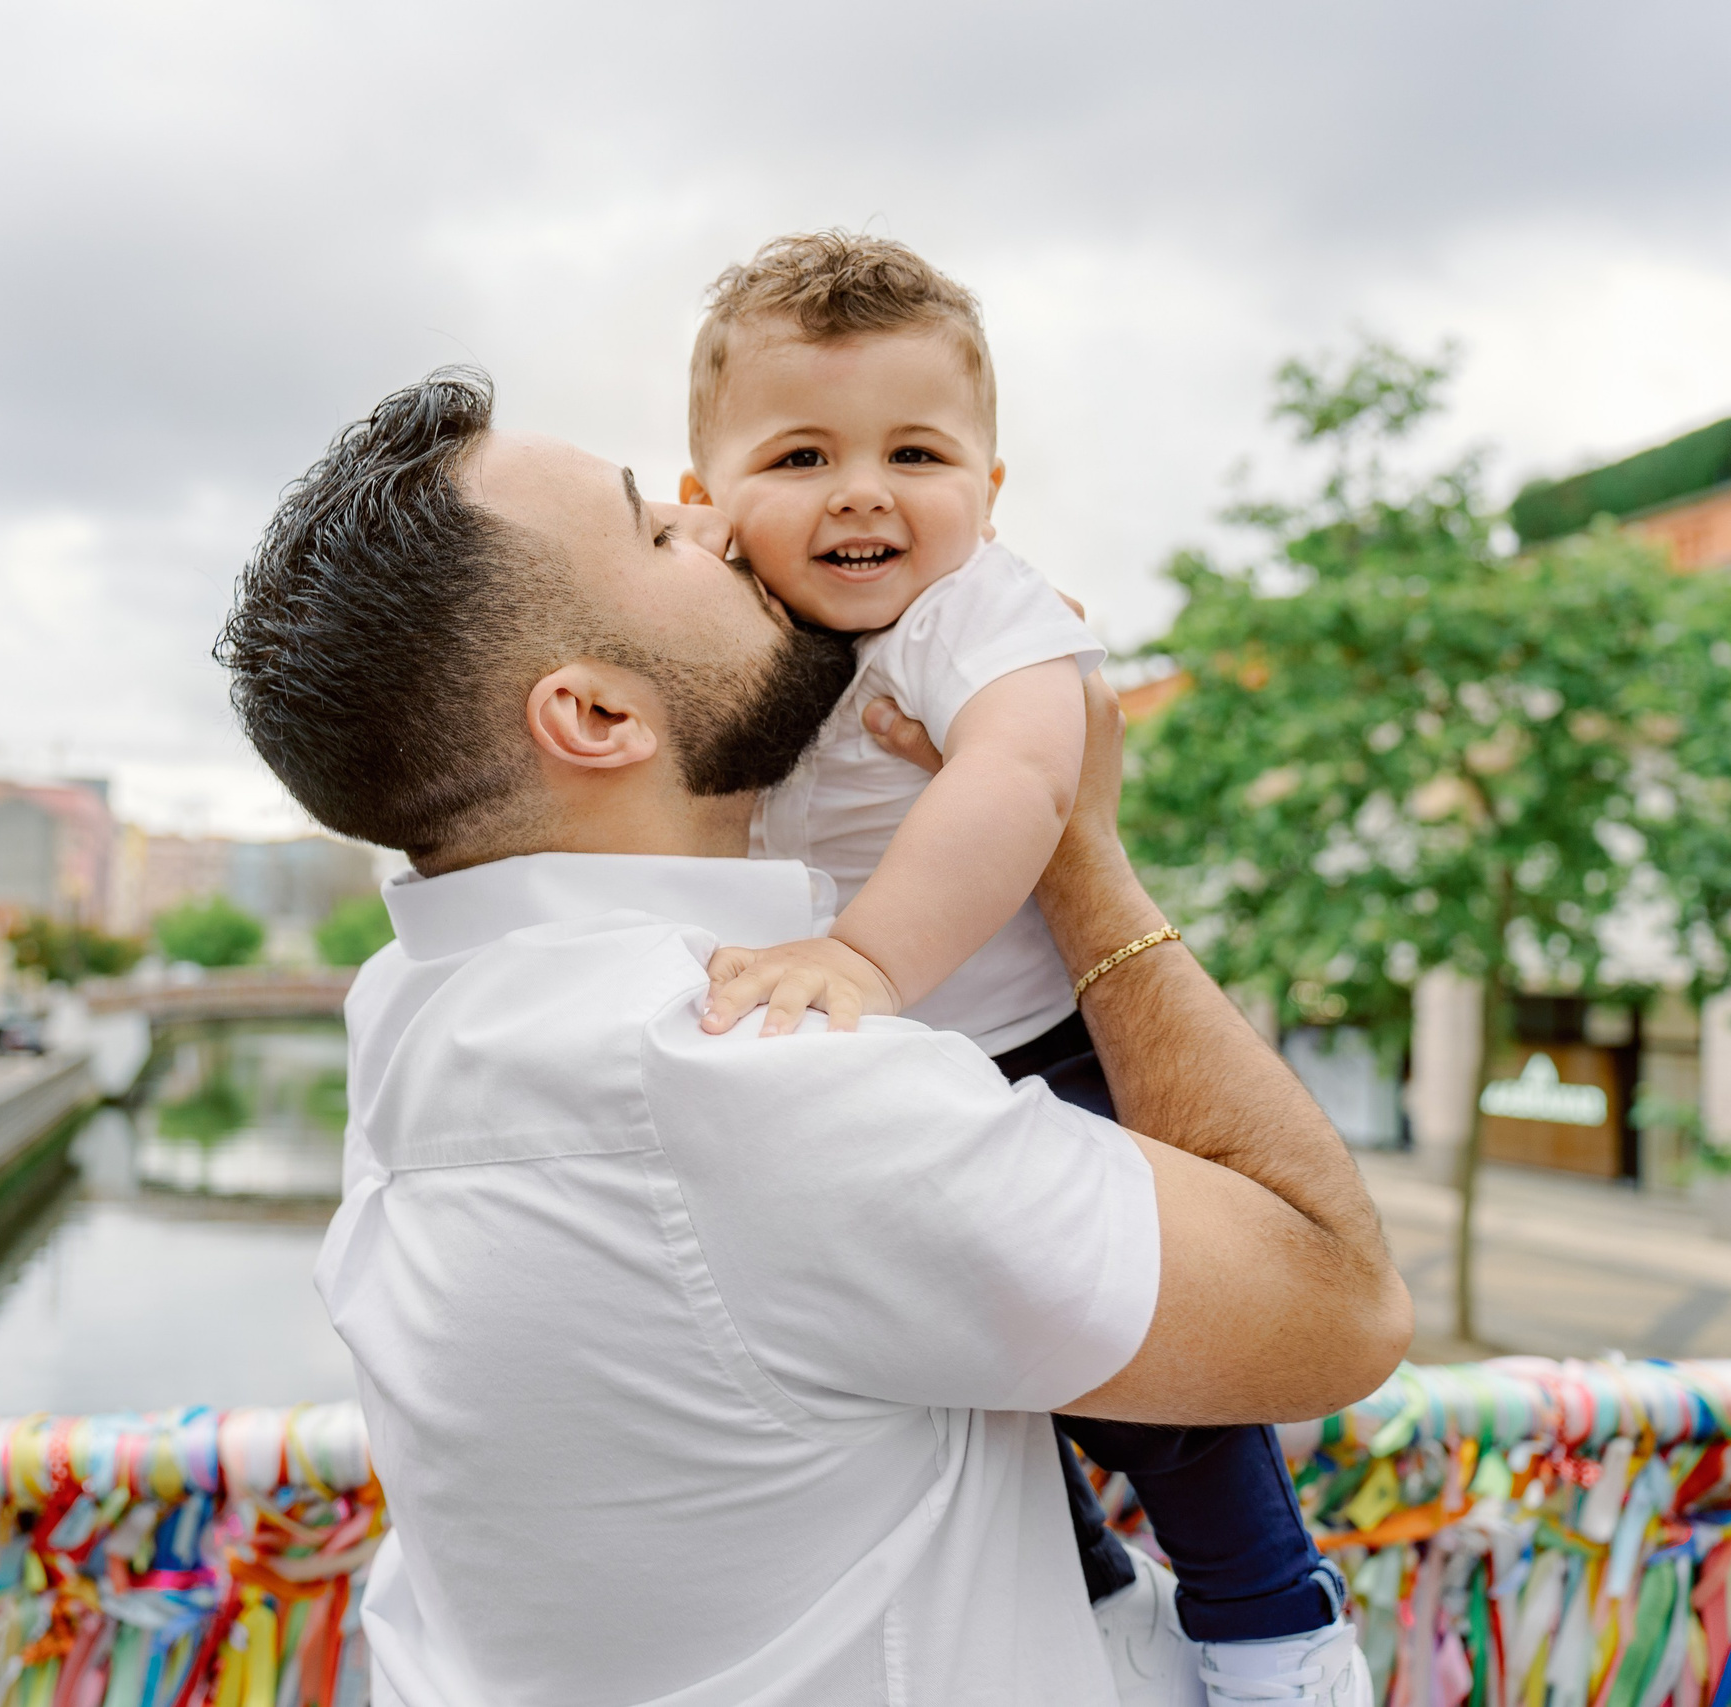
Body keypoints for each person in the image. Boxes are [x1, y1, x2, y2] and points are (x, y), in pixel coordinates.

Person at [215, 368, 1409, 1705]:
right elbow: (1343, 1307)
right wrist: (1077, 855)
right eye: (654, 533)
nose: (719, 526)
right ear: (598, 717)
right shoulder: (744, 1081)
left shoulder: (422, 1012)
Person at [677, 231, 1361, 1707]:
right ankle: (1096, 1597)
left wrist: (862, 953)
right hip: (862, 1073)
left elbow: (1021, 777)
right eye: (799, 456)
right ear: (706, 506)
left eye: (915, 452)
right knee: (952, 1383)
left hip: (1031, 1047)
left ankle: (1272, 1630)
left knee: (1153, 1378)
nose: (862, 489)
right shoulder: (723, 632)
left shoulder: (976, 610)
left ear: (988, 497)